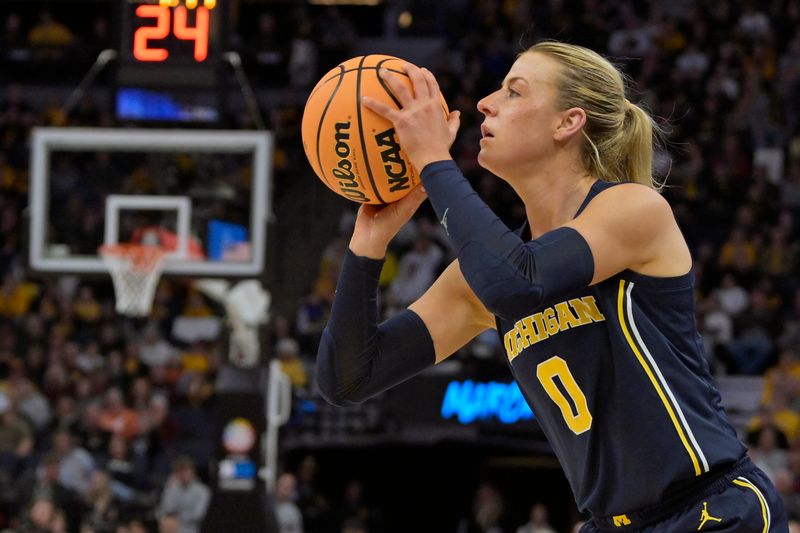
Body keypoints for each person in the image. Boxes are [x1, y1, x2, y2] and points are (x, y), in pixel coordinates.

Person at [316, 41, 788, 531]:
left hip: (710, 509)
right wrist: (367, 244)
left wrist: (435, 160)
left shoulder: (633, 210)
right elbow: (349, 378)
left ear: (568, 122)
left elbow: (519, 284)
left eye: (514, 91)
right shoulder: (490, 271)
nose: (485, 102)